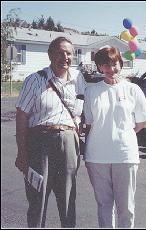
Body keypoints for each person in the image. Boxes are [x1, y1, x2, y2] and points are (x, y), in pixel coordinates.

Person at [15, 36, 86, 227]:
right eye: (60, 52)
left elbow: (85, 110)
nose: (65, 57)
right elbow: (21, 116)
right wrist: (22, 152)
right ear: (50, 55)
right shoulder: (35, 80)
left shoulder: (79, 81)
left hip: (70, 143)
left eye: (69, 53)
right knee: (37, 197)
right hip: (40, 143)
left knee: (68, 199)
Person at [83, 46, 146, 228]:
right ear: (99, 67)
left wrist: (123, 135)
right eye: (105, 65)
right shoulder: (91, 91)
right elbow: (90, 122)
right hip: (97, 157)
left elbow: (140, 123)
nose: (110, 69)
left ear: (120, 64)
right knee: (104, 205)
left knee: (126, 207)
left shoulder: (133, 89)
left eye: (114, 64)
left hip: (125, 156)